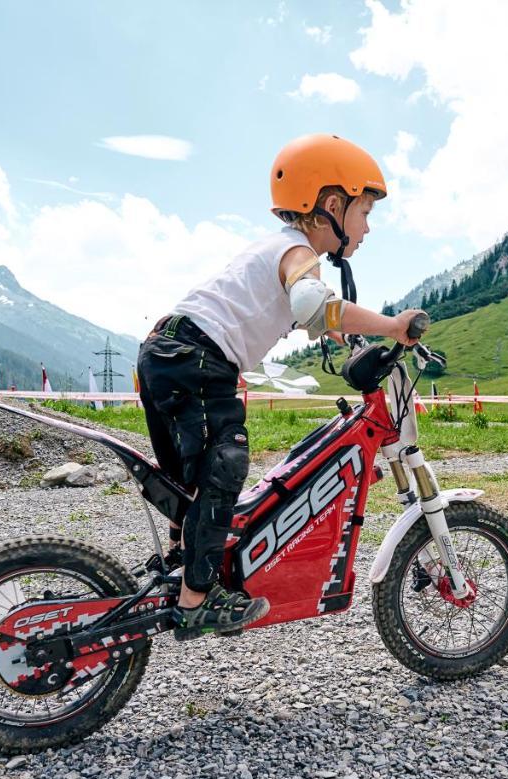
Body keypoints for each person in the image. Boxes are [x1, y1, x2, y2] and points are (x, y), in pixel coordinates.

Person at [137, 133, 425, 639]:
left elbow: (313, 313)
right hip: (200, 360)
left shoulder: (275, 249)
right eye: (364, 212)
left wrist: (342, 331)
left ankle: (182, 566)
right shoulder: (296, 252)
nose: (367, 227)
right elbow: (313, 304)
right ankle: (196, 601)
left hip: (165, 352)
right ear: (331, 206)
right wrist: (392, 325)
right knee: (227, 462)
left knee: (191, 480)